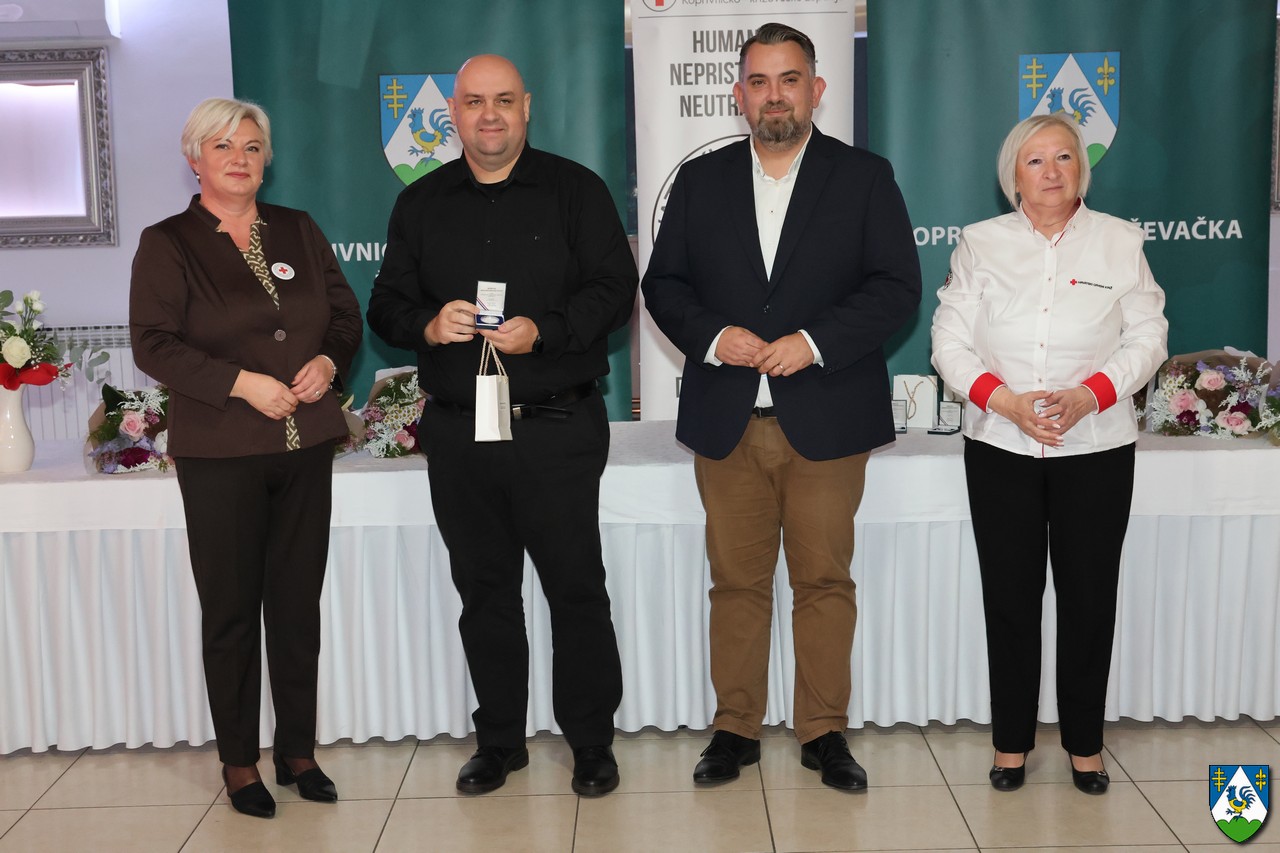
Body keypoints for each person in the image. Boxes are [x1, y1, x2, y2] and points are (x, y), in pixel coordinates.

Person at [642, 23, 921, 791]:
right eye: (760, 81)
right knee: (736, 583)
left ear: (816, 89)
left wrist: (814, 341)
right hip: (727, 420)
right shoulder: (701, 181)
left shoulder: (864, 177)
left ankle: (824, 731)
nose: (775, 96)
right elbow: (663, 285)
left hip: (827, 418)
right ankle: (734, 729)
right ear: (739, 94)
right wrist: (713, 336)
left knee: (824, 582)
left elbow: (897, 286)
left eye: (789, 79)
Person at [366, 55, 636, 797]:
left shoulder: (576, 190)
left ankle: (591, 742)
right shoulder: (420, 203)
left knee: (575, 588)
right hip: (460, 432)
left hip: (556, 426)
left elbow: (616, 289)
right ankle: (499, 741)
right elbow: (384, 305)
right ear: (453, 113)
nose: (490, 115)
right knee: (484, 592)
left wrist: (544, 332)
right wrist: (427, 323)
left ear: (527, 108)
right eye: (475, 102)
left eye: (505, 101)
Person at [130, 98, 362, 818]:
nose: (240, 158)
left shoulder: (298, 228)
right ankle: (238, 761)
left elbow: (345, 317)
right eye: (223, 145)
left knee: (296, 607)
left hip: (304, 447)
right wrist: (241, 383)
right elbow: (153, 344)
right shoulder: (168, 243)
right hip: (221, 452)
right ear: (193, 158)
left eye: (253, 146)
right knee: (231, 612)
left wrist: (328, 363)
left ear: (267, 160)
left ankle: (298, 751)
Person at [930, 113, 1167, 795]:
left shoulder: (1120, 241)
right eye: (1035, 160)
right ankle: (1011, 743)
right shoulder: (980, 244)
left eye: (1064, 156)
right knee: (1010, 596)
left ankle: (1085, 745)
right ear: (1014, 175)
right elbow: (949, 340)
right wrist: (1002, 400)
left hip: (1095, 446)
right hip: (1000, 444)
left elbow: (1148, 337)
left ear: (1081, 168)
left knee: (1089, 598)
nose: (1052, 171)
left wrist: (1092, 394)